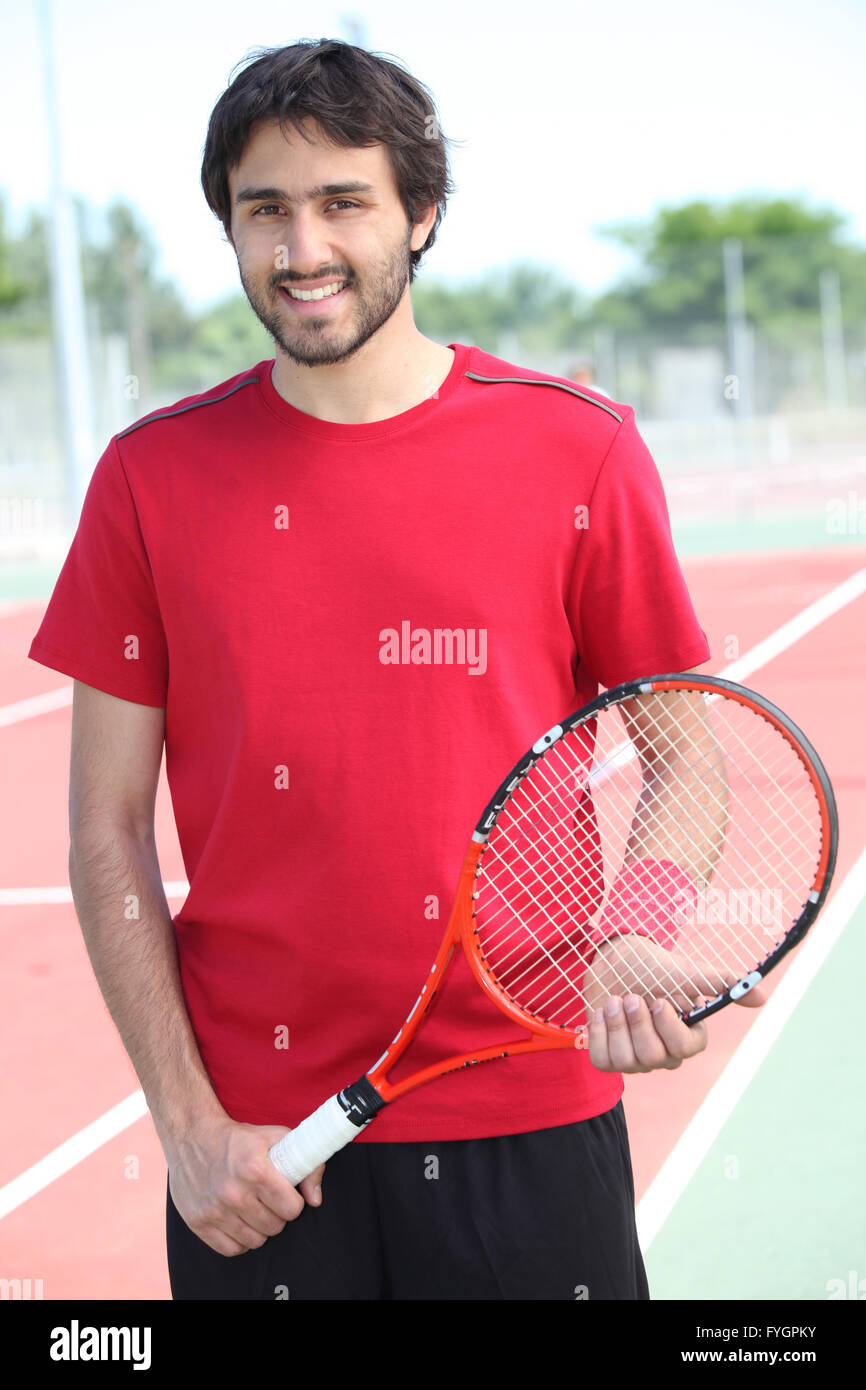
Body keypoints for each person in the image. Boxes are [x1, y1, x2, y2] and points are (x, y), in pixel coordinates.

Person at [29, 39, 764, 1301]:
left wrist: (638, 929)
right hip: (258, 1156)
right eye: (265, 209)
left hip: (526, 1117)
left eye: (342, 202)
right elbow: (104, 828)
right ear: (230, 230)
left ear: (419, 214)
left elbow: (684, 748)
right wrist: (188, 1126)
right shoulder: (149, 478)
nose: (301, 246)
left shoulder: (574, 450)